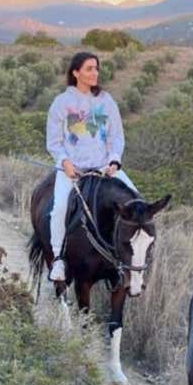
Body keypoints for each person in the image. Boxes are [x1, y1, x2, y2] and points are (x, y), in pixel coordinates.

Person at [45, 51, 138, 282]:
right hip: (73, 171)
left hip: (104, 169)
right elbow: (54, 142)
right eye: (89, 68)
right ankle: (58, 260)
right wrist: (65, 163)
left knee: (138, 202)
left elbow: (117, 137)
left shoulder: (106, 101)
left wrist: (114, 161)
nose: (94, 72)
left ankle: (133, 260)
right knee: (58, 209)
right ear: (76, 72)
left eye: (96, 68)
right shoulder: (62, 103)